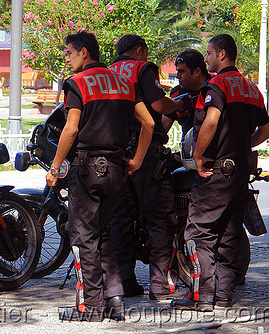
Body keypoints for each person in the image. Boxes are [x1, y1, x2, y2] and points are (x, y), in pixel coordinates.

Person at [48, 31, 154, 322]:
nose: (66, 58)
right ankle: (115, 299)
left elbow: (70, 130)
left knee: (83, 238)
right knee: (105, 235)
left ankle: (89, 307)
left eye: (69, 52)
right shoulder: (122, 83)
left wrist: (55, 168)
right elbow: (149, 122)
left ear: (84, 53)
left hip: (86, 168)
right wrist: (137, 160)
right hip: (117, 170)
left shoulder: (77, 83)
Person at [171, 34, 269, 312]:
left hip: (215, 174)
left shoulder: (215, 86)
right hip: (240, 173)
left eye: (210, 53)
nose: (206, 58)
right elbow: (266, 131)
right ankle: (224, 295)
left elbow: (211, 121)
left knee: (198, 233)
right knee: (229, 235)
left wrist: (199, 155)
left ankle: (203, 297)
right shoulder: (253, 89)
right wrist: (241, 146)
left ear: (223, 55)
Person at [108, 34, 187, 301]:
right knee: (160, 217)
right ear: (140, 51)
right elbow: (157, 105)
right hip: (145, 151)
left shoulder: (107, 72)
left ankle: (126, 282)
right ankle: (158, 284)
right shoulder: (144, 68)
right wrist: (177, 104)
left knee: (121, 218)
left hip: (116, 153)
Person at [162, 49, 212, 137]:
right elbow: (163, 126)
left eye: (181, 71)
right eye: (177, 71)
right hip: (189, 147)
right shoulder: (177, 93)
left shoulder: (215, 89)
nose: (177, 76)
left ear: (197, 72)